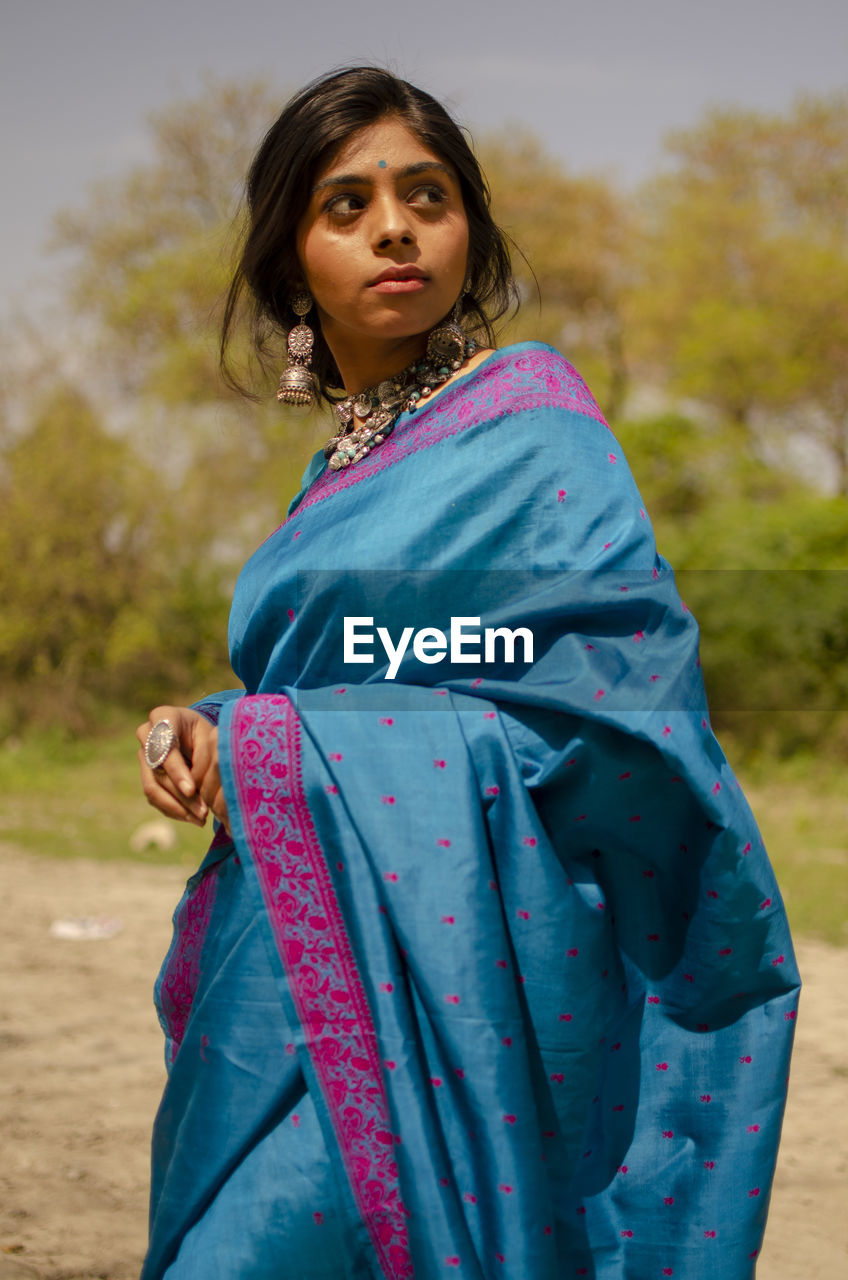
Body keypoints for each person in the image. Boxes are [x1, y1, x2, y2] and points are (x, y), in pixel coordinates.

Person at [136, 67, 799, 1280]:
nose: (394, 226)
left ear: (468, 228)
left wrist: (278, 746)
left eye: (425, 195)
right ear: (293, 262)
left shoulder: (533, 430)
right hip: (289, 948)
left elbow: (599, 707)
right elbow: (355, 672)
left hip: (446, 971)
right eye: (345, 204)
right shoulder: (339, 472)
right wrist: (217, 722)